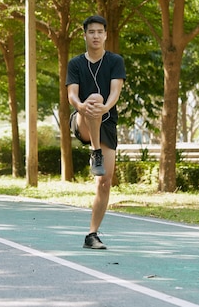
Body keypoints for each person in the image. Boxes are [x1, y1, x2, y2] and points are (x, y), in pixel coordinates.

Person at [66, 15, 126, 250]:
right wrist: (82, 107)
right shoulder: (76, 63)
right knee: (93, 97)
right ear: (85, 35)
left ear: (106, 35)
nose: (96, 36)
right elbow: (72, 94)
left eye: (100, 32)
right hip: (81, 119)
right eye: (91, 32)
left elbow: (115, 91)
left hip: (107, 123)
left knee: (104, 181)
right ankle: (95, 152)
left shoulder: (115, 61)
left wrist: (106, 107)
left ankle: (91, 234)